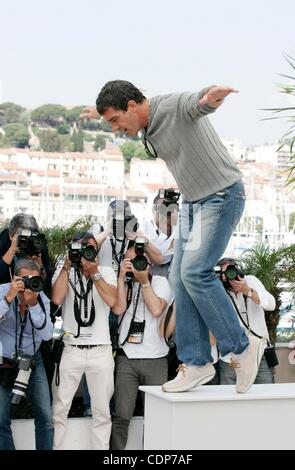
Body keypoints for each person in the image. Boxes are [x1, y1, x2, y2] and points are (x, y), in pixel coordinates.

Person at [81, 80, 265, 394]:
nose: (115, 128)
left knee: (195, 272)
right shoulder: (145, 125)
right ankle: (196, 363)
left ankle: (242, 348)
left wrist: (213, 98)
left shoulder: (172, 106)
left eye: (115, 120)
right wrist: (95, 113)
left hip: (222, 196)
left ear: (133, 106)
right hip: (193, 203)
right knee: (180, 277)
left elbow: (198, 104)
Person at [51, 231, 117, 450]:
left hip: (101, 350)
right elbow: (57, 298)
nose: (86, 252)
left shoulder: (106, 271)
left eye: (90, 248)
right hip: (71, 349)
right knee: (60, 408)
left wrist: (95, 273)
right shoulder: (66, 272)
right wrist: (67, 265)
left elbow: (112, 301)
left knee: (102, 412)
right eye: (80, 248)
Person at [110, 243, 172, 449]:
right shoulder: (125, 282)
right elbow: (118, 309)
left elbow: (156, 309)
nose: (136, 265)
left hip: (156, 359)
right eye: (131, 261)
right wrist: (121, 278)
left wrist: (145, 282)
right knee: (121, 416)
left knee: (155, 416)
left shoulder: (161, 281)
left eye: (139, 260)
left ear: (149, 263)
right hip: (127, 357)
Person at [0, 259, 53, 450]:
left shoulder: (41, 298)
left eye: (34, 280)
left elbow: (47, 335)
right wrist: (8, 298)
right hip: (3, 360)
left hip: (32, 360)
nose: (29, 284)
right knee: (0, 418)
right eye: (24, 279)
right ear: (14, 278)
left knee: (46, 417)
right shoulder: (2, 291)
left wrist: (33, 306)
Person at [216, 257, 275, 384]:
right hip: (230, 357)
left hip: (259, 354)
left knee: (265, 397)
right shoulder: (217, 290)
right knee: (228, 399)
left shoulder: (250, 281)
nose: (229, 276)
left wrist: (247, 291)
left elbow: (271, 304)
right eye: (224, 273)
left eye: (231, 271)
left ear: (239, 271)